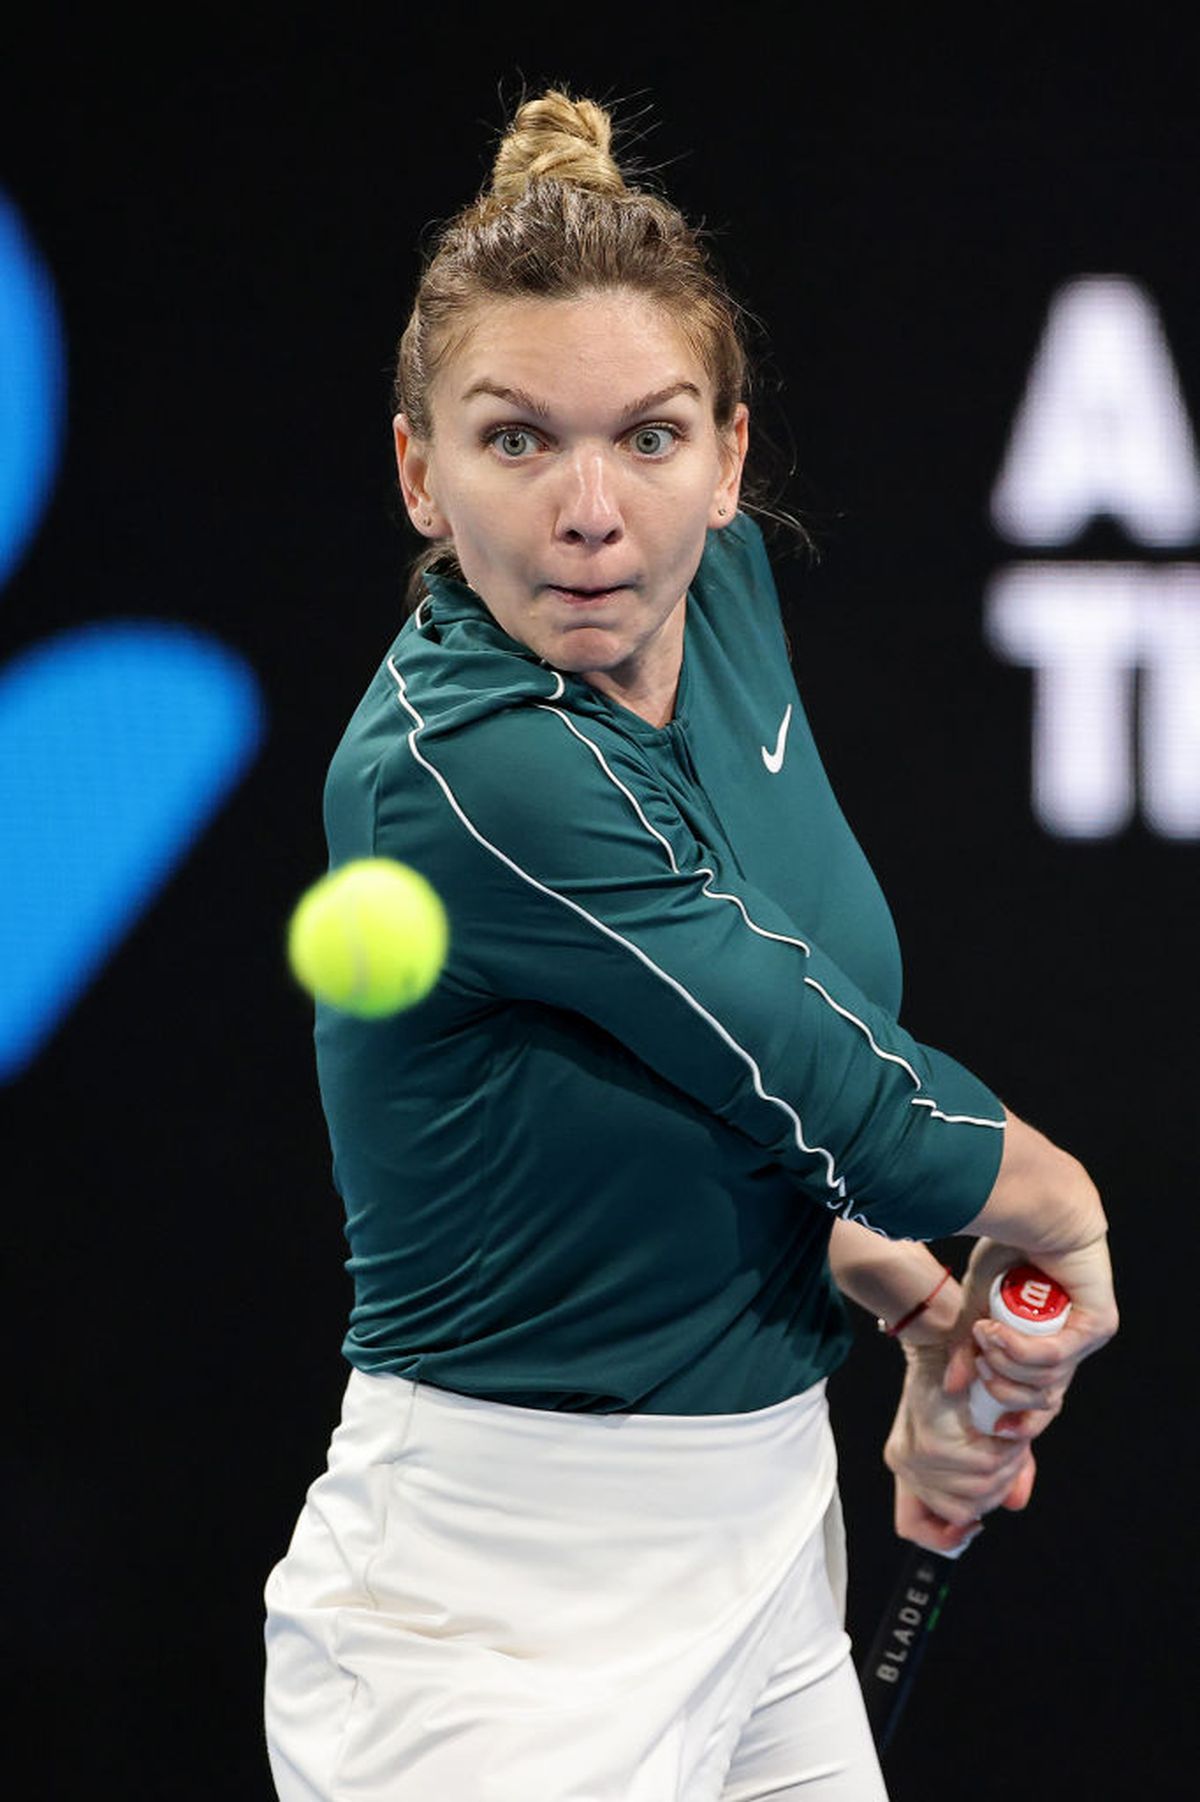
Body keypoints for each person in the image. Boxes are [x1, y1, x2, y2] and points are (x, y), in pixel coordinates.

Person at [263, 89, 1117, 1801]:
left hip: (765, 1551)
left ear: (728, 459)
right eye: (516, 442)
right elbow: (819, 1072)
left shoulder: (711, 592)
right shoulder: (471, 768)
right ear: (421, 473)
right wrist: (1060, 1217)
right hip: (490, 1625)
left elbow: (703, 1072)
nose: (594, 510)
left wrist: (903, 1295)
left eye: (649, 438)